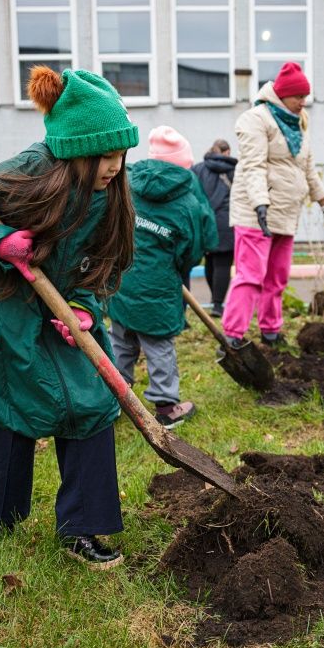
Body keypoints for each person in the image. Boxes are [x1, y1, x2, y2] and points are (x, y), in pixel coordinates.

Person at [0, 66, 139, 569]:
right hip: (6, 311)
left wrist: (86, 310)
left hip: (62, 311)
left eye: (121, 155)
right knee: (9, 406)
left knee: (91, 406)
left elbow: (103, 266)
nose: (115, 166)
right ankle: (0, 514)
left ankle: (83, 529)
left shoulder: (110, 194)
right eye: (105, 156)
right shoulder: (25, 173)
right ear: (75, 149)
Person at [223, 62, 324, 349]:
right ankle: (232, 335)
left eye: (305, 96)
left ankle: (271, 331)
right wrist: (260, 204)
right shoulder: (256, 119)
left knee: (277, 277)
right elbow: (252, 166)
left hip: (286, 212)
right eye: (298, 96)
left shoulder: (300, 121)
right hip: (255, 213)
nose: (303, 102)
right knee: (250, 276)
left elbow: (308, 167)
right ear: (282, 95)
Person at [107, 126, 217, 429]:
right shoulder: (187, 203)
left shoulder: (127, 181)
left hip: (121, 281)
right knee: (159, 347)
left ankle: (114, 399)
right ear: (184, 165)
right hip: (158, 289)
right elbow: (194, 250)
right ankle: (167, 407)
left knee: (121, 341)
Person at [191, 139, 237, 317]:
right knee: (223, 264)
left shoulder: (198, 169)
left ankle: (213, 301)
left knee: (209, 262)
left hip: (204, 221)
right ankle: (218, 304)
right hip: (226, 222)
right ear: (226, 152)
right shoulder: (234, 170)